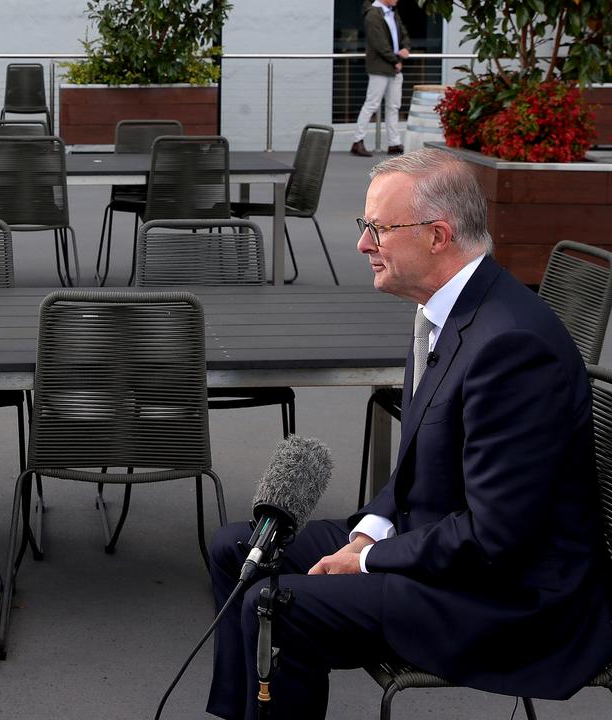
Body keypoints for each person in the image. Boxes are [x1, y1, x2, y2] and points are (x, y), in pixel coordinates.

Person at [204, 148, 612, 719]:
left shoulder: (513, 346)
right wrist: (371, 532)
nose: (362, 244)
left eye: (376, 228)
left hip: (505, 598)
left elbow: (497, 538)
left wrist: (372, 561)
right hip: (440, 545)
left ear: (438, 235)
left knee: (279, 606)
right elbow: (419, 466)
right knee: (239, 549)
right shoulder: (442, 310)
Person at [351, 0, 410, 157]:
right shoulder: (373, 14)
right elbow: (379, 44)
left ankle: (394, 143)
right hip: (380, 67)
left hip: (394, 67)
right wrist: (395, 60)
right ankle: (358, 141)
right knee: (372, 104)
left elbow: (403, 34)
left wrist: (406, 48)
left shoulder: (392, 11)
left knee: (393, 106)